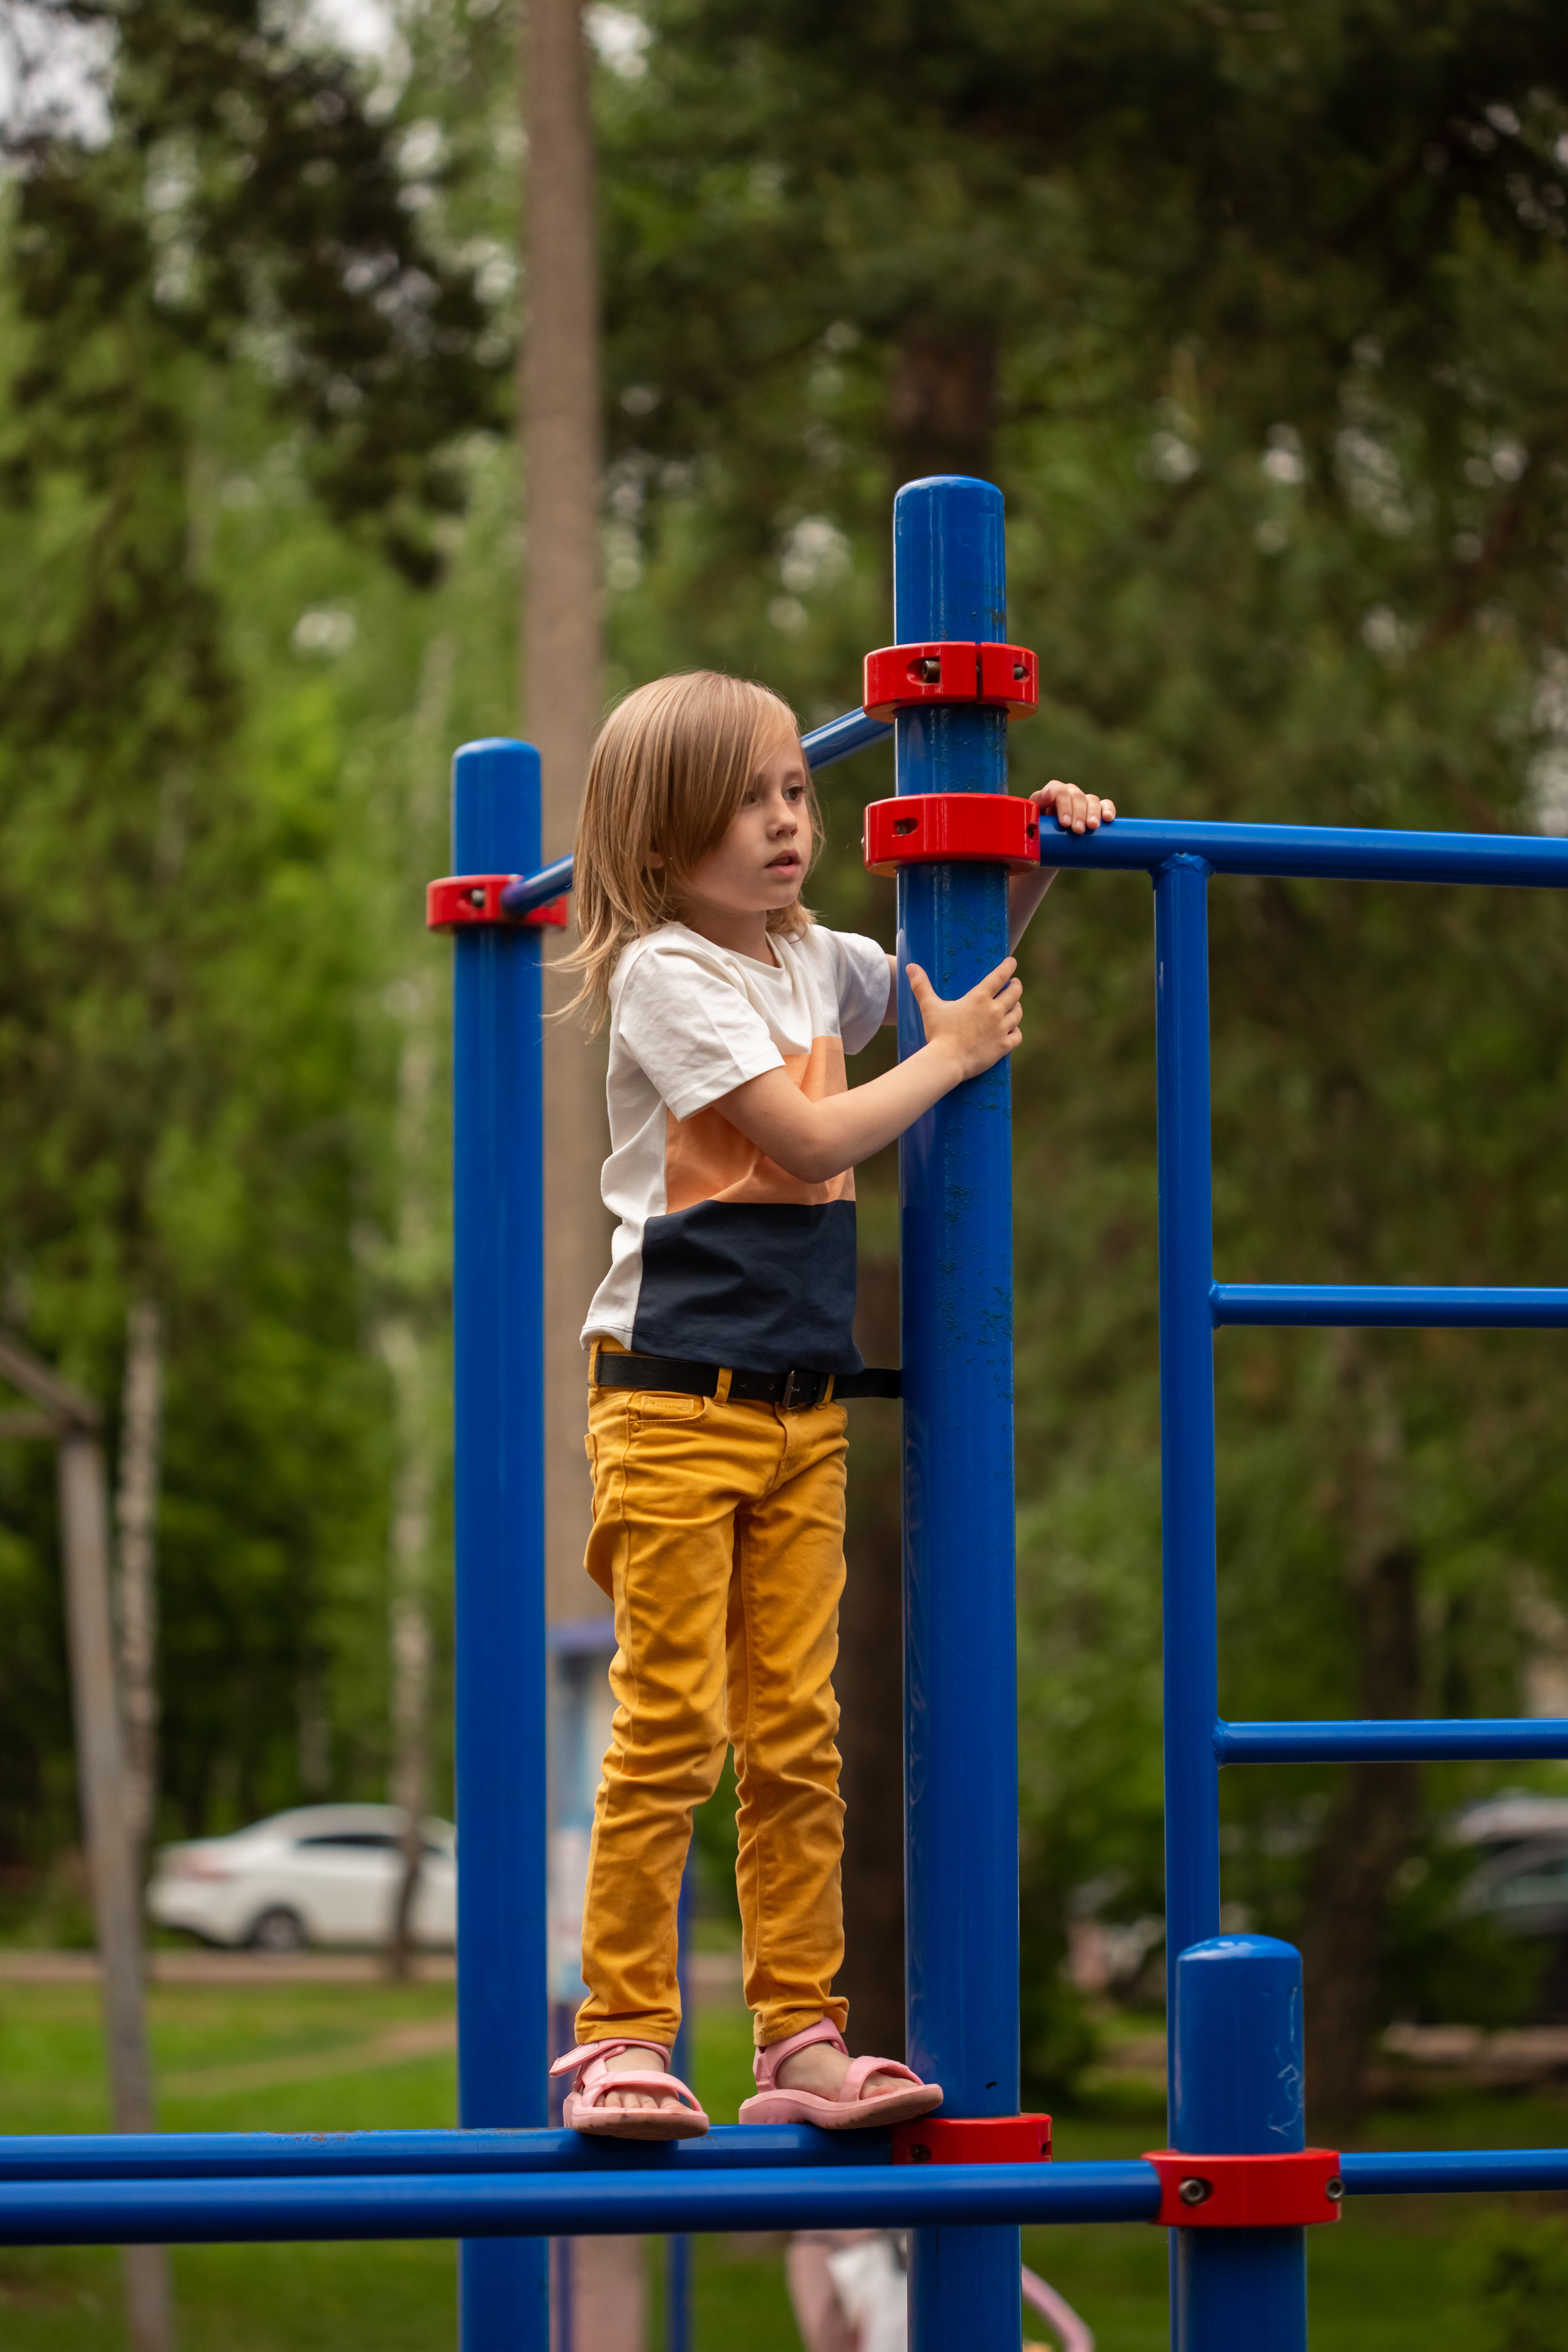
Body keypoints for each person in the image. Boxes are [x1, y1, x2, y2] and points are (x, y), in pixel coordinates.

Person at [548, 670, 1115, 2139]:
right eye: (745, 802)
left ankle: (797, 2034)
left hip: (802, 1414)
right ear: (663, 846)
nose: (785, 823)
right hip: (671, 1402)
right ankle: (618, 2036)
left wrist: (1030, 831)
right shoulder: (668, 975)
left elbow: (942, 962)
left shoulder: (810, 960)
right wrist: (943, 1060)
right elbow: (805, 1139)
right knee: (673, 1724)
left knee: (795, 1728)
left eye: (793, 791)